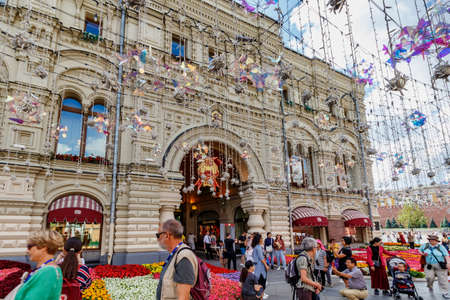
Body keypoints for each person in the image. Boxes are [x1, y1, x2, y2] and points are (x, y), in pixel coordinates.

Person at [156, 219, 198, 300]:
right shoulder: (176, 253)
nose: (157, 239)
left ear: (167, 235)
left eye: (158, 235)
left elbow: (184, 297)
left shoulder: (183, 256)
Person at [15, 230, 64, 300]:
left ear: (43, 248)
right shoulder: (49, 269)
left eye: (29, 246)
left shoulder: (48, 272)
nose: (27, 250)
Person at [419, 235, 450, 299]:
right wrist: (422, 254)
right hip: (428, 265)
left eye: (433, 240)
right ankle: (430, 285)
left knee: (443, 279)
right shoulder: (425, 245)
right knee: (429, 277)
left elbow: (446, 255)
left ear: (436, 241)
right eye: (430, 240)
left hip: (440, 265)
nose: (432, 241)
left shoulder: (441, 247)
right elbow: (420, 250)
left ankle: (445, 292)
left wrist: (448, 263)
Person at [252, 233, 269, 299]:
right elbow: (261, 258)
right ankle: (260, 296)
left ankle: (261, 296)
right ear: (259, 239)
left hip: (258, 267)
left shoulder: (257, 246)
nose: (262, 239)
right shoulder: (258, 247)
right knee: (261, 282)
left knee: (260, 282)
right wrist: (266, 266)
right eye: (261, 238)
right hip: (260, 267)